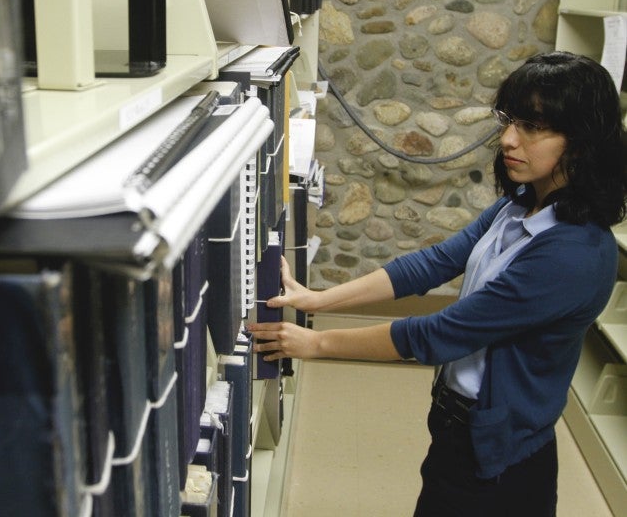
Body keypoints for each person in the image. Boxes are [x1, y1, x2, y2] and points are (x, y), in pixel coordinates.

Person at [247, 51, 627, 516]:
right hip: (459, 431)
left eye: (533, 126)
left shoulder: (573, 254)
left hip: (501, 463)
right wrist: (318, 299)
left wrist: (315, 344)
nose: (507, 139)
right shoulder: (524, 203)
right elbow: (436, 263)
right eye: (509, 120)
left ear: (582, 141)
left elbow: (441, 334)